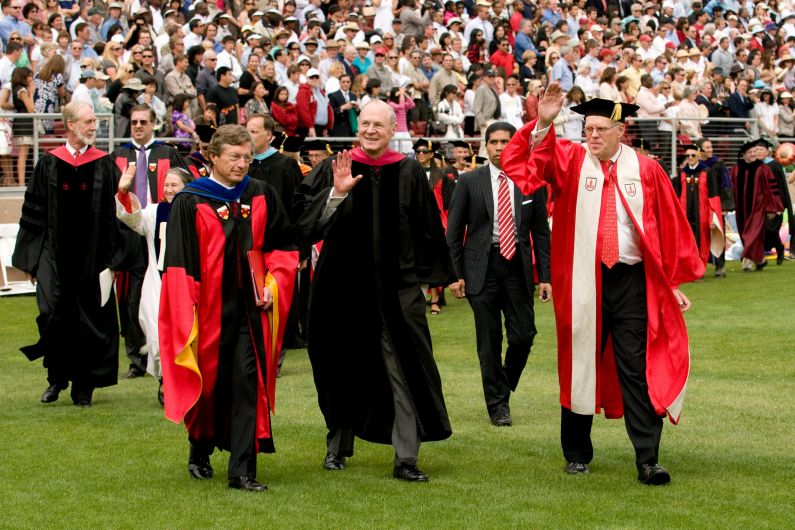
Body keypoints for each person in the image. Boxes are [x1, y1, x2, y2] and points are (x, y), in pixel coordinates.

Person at [500, 88, 704, 485]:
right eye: (587, 128)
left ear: (621, 131)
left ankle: (648, 459)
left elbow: (668, 227)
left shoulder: (646, 170)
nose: (591, 136)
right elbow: (525, 166)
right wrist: (543, 123)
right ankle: (576, 454)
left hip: (631, 281)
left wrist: (669, 282)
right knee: (579, 362)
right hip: (582, 280)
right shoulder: (572, 162)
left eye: (600, 129)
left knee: (636, 369)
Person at [294, 100, 455, 482]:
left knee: (405, 369)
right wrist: (336, 194)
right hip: (342, 289)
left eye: (377, 125)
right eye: (364, 123)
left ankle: (406, 458)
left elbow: (426, 227)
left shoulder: (409, 170)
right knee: (340, 368)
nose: (369, 130)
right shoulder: (336, 167)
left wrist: (440, 276)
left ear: (391, 129)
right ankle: (337, 447)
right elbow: (305, 225)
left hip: (397, 292)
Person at [159, 124, 295, 492]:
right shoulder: (191, 200)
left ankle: (242, 471)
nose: (241, 164)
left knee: (247, 385)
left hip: (251, 313)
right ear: (213, 157)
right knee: (209, 386)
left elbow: (283, 247)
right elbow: (179, 263)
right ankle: (199, 448)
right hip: (207, 312)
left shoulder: (261, 193)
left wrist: (272, 285)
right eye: (234, 157)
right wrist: (186, 311)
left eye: (247, 157)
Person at [12, 102, 131, 407]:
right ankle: (56, 378)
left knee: (89, 321)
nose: (94, 126)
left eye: (94, 121)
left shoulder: (104, 163)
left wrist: (114, 260)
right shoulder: (48, 163)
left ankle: (84, 386)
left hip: (93, 259)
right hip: (54, 256)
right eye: (88, 121)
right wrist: (31, 258)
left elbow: (115, 215)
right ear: (70, 125)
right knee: (52, 315)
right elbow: (33, 212)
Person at [446, 121, 551, 426]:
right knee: (489, 341)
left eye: (506, 142)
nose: (499, 147)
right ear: (485, 146)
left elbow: (541, 233)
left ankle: (502, 383)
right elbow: (453, 233)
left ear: (515, 145)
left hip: (517, 267)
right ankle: (498, 406)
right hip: (481, 268)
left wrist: (544, 276)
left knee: (523, 334)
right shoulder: (468, 182)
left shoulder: (531, 182)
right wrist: (455, 274)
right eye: (493, 142)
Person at [112, 104, 188, 379]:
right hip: (131, 235)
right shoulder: (119, 155)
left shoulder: (168, 153)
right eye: (134, 122)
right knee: (133, 303)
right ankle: (137, 357)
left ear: (154, 123)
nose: (138, 126)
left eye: (144, 121)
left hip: (163, 233)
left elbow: (185, 190)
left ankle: (169, 360)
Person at [116, 167, 192, 405]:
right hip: (156, 283)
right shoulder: (154, 212)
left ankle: (183, 382)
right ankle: (165, 379)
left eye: (175, 185)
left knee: (187, 335)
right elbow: (132, 218)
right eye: (166, 185)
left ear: (186, 187)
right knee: (158, 337)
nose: (169, 190)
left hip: (186, 284)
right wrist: (124, 192)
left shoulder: (197, 210)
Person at [731, 139, 784, 271]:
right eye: (750, 152)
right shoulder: (736, 168)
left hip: (758, 207)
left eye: (755, 151)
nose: (754, 154)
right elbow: (730, 188)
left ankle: (747, 261)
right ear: (743, 154)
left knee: (752, 233)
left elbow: (771, 190)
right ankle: (760, 260)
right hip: (741, 207)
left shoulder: (763, 168)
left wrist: (772, 208)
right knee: (744, 234)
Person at [673, 145, 724, 278]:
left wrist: (713, 215)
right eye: (687, 156)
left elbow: (714, 196)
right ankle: (694, 269)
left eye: (693, 155)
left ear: (699, 156)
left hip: (704, 214)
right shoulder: (682, 174)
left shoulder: (708, 172)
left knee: (706, 240)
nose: (690, 158)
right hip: (686, 214)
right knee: (690, 242)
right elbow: (678, 196)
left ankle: (718, 266)